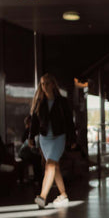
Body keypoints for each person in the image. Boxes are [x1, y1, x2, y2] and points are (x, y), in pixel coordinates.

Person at [29, 74, 76, 208]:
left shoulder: (62, 101)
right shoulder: (39, 102)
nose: (45, 86)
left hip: (59, 137)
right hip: (45, 139)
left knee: (50, 165)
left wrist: (72, 138)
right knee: (54, 166)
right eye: (42, 84)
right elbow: (34, 121)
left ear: (53, 84)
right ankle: (63, 195)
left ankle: (42, 197)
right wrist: (31, 137)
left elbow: (69, 121)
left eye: (47, 83)